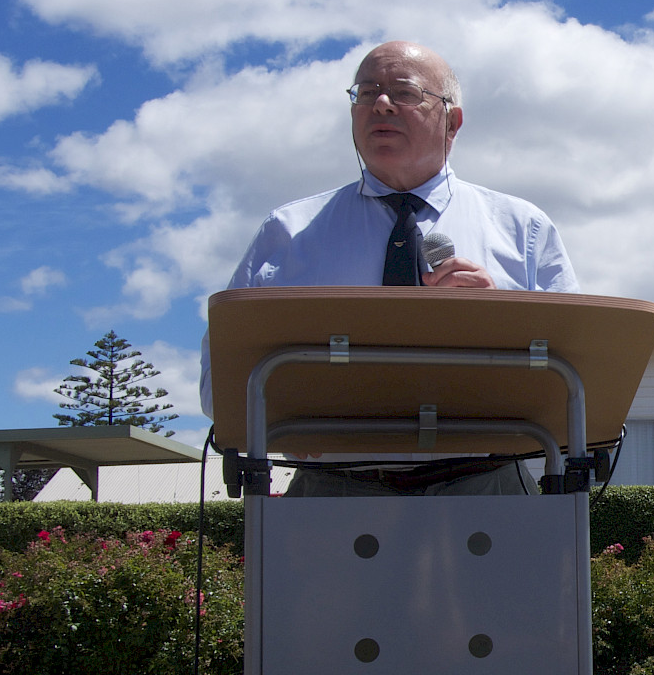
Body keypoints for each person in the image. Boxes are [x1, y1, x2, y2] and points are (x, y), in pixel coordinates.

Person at [202, 40, 578, 496]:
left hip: (487, 487)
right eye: (366, 92)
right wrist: (285, 420)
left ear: (452, 121)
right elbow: (218, 385)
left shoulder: (524, 229)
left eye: (405, 92)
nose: (381, 104)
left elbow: (572, 391)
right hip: (331, 491)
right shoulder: (288, 231)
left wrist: (499, 321)